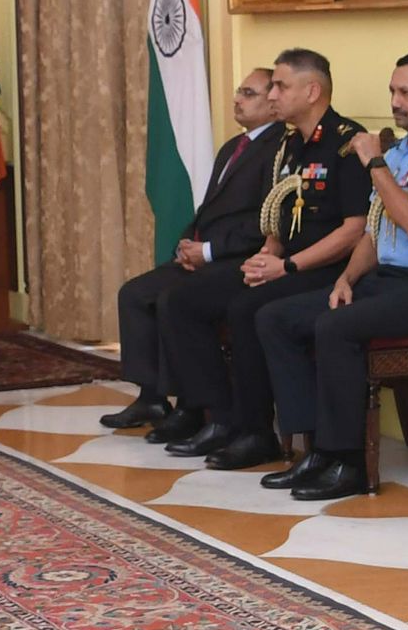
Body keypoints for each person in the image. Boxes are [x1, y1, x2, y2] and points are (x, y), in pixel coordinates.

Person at [252, 52, 408, 501]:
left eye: (407, 92)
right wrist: (346, 278)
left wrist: (376, 166)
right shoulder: (397, 154)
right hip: (389, 280)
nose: (395, 102)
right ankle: (315, 450)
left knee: (335, 327)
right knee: (276, 317)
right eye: (392, 91)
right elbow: (375, 231)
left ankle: (348, 462)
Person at [150, 48, 373, 471]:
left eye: (281, 86)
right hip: (283, 261)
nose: (273, 95)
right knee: (184, 299)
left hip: (323, 269)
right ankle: (220, 417)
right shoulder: (289, 144)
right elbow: (277, 214)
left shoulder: (346, 141)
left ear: (312, 91)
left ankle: (257, 433)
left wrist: (286, 266)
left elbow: (354, 230)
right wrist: (267, 254)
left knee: (247, 308)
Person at [101, 67, 278, 429]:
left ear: (274, 103)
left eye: (249, 93)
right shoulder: (233, 147)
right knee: (134, 294)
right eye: (238, 91)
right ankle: (151, 397)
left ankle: (193, 406)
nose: (237, 99)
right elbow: (208, 208)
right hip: (204, 252)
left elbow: (264, 222)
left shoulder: (277, 150)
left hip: (236, 259)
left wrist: (209, 251)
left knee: (175, 300)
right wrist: (187, 243)